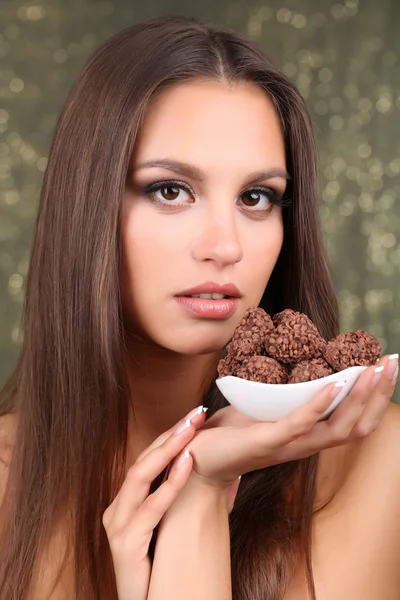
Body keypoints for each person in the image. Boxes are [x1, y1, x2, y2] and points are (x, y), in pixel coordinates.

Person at [0, 15, 399, 600]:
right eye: (170, 190)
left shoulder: (376, 462)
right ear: (87, 210)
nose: (225, 246)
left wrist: (203, 492)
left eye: (256, 197)